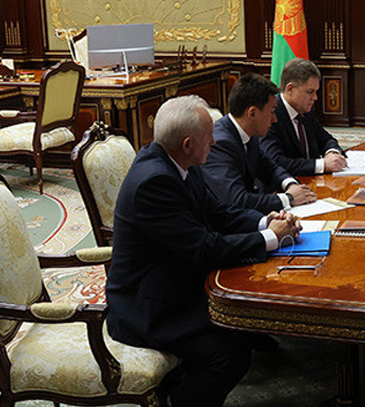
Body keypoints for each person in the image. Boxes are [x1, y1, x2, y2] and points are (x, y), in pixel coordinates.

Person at [106, 95, 301, 407]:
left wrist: (266, 221)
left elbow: (218, 213)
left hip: (175, 283)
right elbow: (204, 249)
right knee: (228, 355)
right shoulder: (154, 182)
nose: (214, 140)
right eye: (209, 135)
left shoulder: (180, 162)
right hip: (148, 308)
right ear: (187, 144)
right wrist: (269, 238)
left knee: (241, 329)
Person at [203, 73, 317, 213]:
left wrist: (290, 184)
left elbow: (270, 167)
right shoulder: (220, 144)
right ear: (252, 113)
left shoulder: (249, 133)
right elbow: (237, 201)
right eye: (272, 112)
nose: (275, 119)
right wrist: (288, 198)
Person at [262, 58, 347, 176]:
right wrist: (322, 165)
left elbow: (325, 139)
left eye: (316, 91)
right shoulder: (270, 115)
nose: (315, 98)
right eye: (310, 92)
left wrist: (332, 153)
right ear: (290, 89)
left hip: (312, 181)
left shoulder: (305, 110)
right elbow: (276, 161)